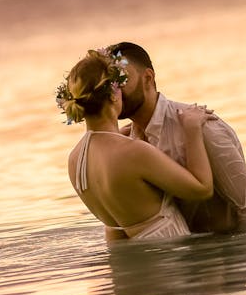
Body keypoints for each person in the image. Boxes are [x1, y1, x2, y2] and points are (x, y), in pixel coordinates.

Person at [109, 41, 246, 234]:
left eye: (121, 80)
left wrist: (237, 261)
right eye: (108, 84)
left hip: (223, 256)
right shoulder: (126, 143)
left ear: (148, 78)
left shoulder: (204, 127)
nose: (114, 91)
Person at [57, 48, 217, 242]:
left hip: (125, 269)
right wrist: (192, 130)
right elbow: (202, 189)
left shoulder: (75, 159)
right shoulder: (133, 152)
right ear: (113, 95)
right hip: (170, 264)